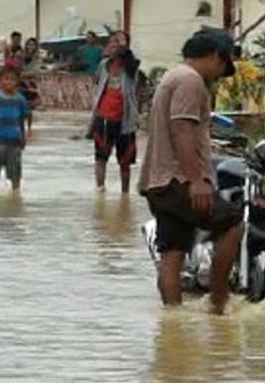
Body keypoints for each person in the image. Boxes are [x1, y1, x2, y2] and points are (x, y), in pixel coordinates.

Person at [138, 28, 242, 314]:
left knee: (173, 252)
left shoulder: (172, 77)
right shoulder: (191, 81)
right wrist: (197, 180)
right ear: (215, 56)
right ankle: (219, 305)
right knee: (233, 223)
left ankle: (172, 320)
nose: (220, 76)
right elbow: (181, 129)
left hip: (158, 182)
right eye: (223, 66)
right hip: (178, 181)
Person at [89, 31, 140, 193]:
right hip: (104, 118)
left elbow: (134, 71)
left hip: (125, 121)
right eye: (110, 43)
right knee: (100, 157)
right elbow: (97, 83)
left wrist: (125, 48)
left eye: (117, 43)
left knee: (125, 161)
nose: (112, 46)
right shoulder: (103, 65)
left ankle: (125, 193)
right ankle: (100, 188)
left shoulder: (131, 67)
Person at [0, 66, 30, 192]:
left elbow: (22, 121)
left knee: (15, 172)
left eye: (12, 79)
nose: (8, 82)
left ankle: (15, 193)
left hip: (14, 140)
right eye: (5, 79)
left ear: (17, 82)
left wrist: (24, 137)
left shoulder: (20, 100)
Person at [21, 37, 41, 135]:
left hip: (31, 84)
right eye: (29, 44)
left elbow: (35, 72)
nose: (30, 47)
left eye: (33, 45)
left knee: (28, 107)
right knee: (19, 105)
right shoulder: (21, 56)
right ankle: (21, 127)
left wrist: (22, 74)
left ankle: (29, 128)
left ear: (36, 47)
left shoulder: (37, 58)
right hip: (20, 83)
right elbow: (17, 67)